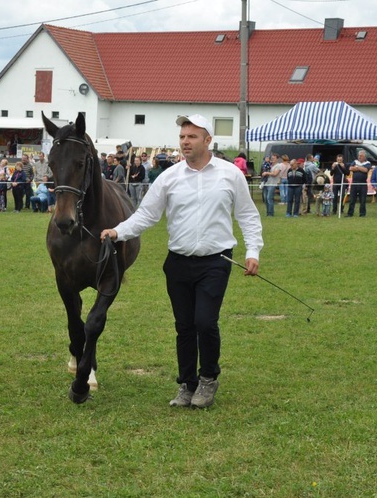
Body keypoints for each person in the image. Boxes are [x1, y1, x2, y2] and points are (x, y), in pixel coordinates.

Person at [100, 114, 263, 409]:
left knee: (205, 322)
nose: (185, 142)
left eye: (192, 136)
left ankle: (208, 378)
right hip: (178, 263)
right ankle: (187, 385)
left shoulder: (230, 174)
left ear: (208, 140)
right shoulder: (169, 177)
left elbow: (248, 215)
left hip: (216, 260)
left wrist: (253, 251)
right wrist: (117, 231)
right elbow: (146, 215)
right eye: (182, 137)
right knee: (184, 326)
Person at [347, 150, 371, 217]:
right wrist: (360, 168)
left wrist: (357, 167)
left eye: (361, 156)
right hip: (354, 183)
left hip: (363, 184)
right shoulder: (355, 161)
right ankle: (350, 213)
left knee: (363, 200)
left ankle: (362, 214)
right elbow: (350, 168)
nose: (359, 157)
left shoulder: (368, 163)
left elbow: (366, 170)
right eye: (359, 155)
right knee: (352, 200)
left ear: (364, 157)